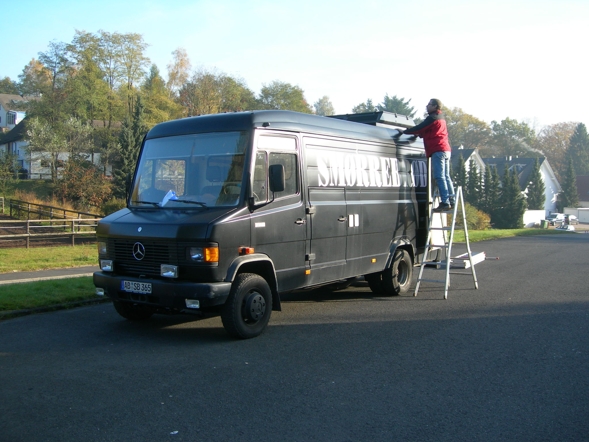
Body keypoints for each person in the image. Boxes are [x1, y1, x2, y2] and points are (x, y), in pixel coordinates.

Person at [398, 98, 455, 212]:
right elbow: (429, 131)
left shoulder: (432, 118)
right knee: (446, 176)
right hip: (445, 149)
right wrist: (418, 134)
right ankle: (452, 199)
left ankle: (445, 202)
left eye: (429, 104)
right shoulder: (441, 118)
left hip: (437, 149)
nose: (427, 106)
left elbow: (421, 127)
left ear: (435, 106)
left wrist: (405, 132)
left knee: (439, 176)